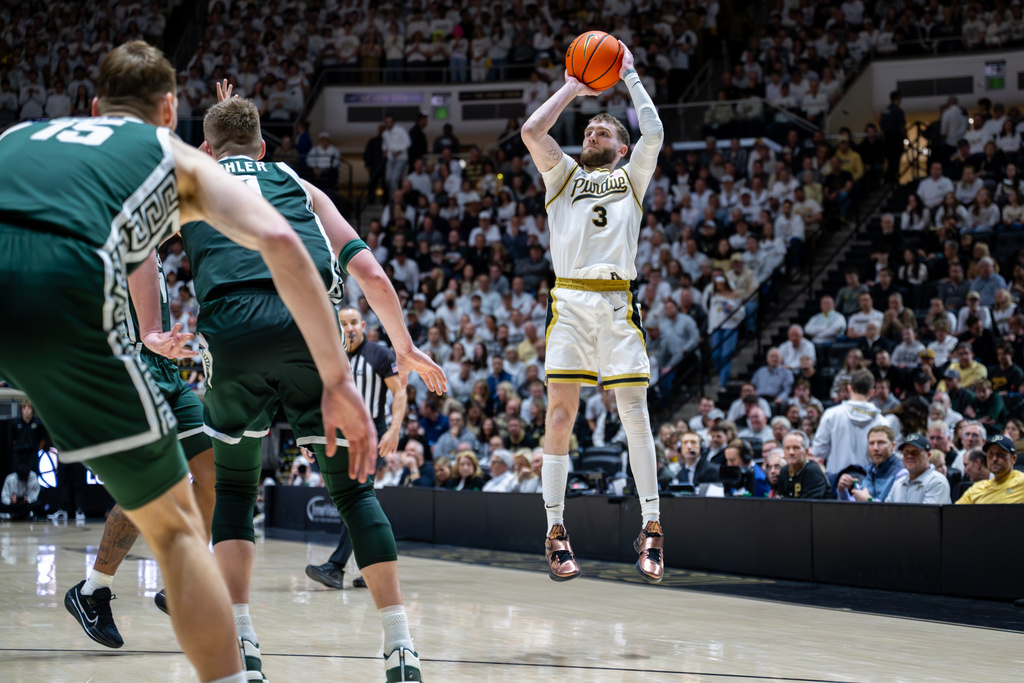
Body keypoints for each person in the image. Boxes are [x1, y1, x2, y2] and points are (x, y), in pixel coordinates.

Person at [0, 41, 367, 683]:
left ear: (92, 105)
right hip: (78, 312)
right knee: (174, 518)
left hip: (76, 310)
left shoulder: (19, 134)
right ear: (169, 110)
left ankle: (120, 584)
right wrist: (337, 377)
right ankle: (174, 610)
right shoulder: (168, 158)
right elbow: (279, 239)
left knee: (207, 469)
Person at [183, 94, 445, 681]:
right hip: (311, 324)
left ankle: (243, 645)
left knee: (233, 489)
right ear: (266, 148)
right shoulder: (300, 185)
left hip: (231, 329)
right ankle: (400, 646)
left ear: (206, 148)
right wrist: (403, 346)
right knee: (353, 492)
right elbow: (371, 272)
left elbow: (138, 254)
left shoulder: (191, 179)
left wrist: (152, 329)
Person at [521, 42, 666, 583]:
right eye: (587, 133)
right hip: (570, 303)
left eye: (601, 133)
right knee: (560, 415)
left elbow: (654, 133)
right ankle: (555, 528)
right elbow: (533, 133)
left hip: (616, 303)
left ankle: (652, 525)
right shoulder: (562, 178)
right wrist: (573, 89)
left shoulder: (632, 178)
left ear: (621, 149)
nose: (590, 137)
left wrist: (628, 75)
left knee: (635, 413)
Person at [65, 256, 217, 649]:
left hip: (167, 374)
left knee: (214, 473)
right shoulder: (104, 234)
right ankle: (91, 590)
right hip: (127, 375)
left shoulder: (154, 246)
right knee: (147, 492)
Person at [305, 306, 410, 592]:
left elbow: (400, 394)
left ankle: (336, 568)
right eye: (344, 324)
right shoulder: (328, 355)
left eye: (354, 322)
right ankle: (374, 563)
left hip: (369, 436)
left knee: (357, 502)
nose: (349, 328)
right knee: (353, 504)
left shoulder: (379, 355)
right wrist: (307, 436)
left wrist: (393, 429)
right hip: (335, 437)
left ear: (362, 325)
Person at [812, 370, 886, 478]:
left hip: (836, 482)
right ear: (871, 392)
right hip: (869, 486)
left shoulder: (831, 414)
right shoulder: (882, 422)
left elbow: (818, 451)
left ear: (849, 388)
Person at [836, 426, 907, 502]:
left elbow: (897, 510)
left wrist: (869, 501)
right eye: (871, 443)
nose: (875, 448)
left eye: (881, 442)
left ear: (893, 446)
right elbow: (854, 506)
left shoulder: (901, 474)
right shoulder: (868, 471)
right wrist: (842, 490)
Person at [957, 435, 1024, 504]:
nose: (994, 459)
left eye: (1000, 454)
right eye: (990, 455)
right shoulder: (977, 489)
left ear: (1013, 459)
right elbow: (953, 512)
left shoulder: (1021, 481)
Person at [885, 434, 951, 503]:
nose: (909, 456)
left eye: (915, 452)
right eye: (906, 452)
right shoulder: (898, 483)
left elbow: (928, 513)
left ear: (928, 456)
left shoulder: (937, 482)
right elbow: (886, 511)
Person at [777, 431, 831, 499]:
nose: (791, 452)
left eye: (796, 448)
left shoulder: (813, 471)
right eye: (787, 448)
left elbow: (807, 506)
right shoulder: (784, 471)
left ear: (806, 451)